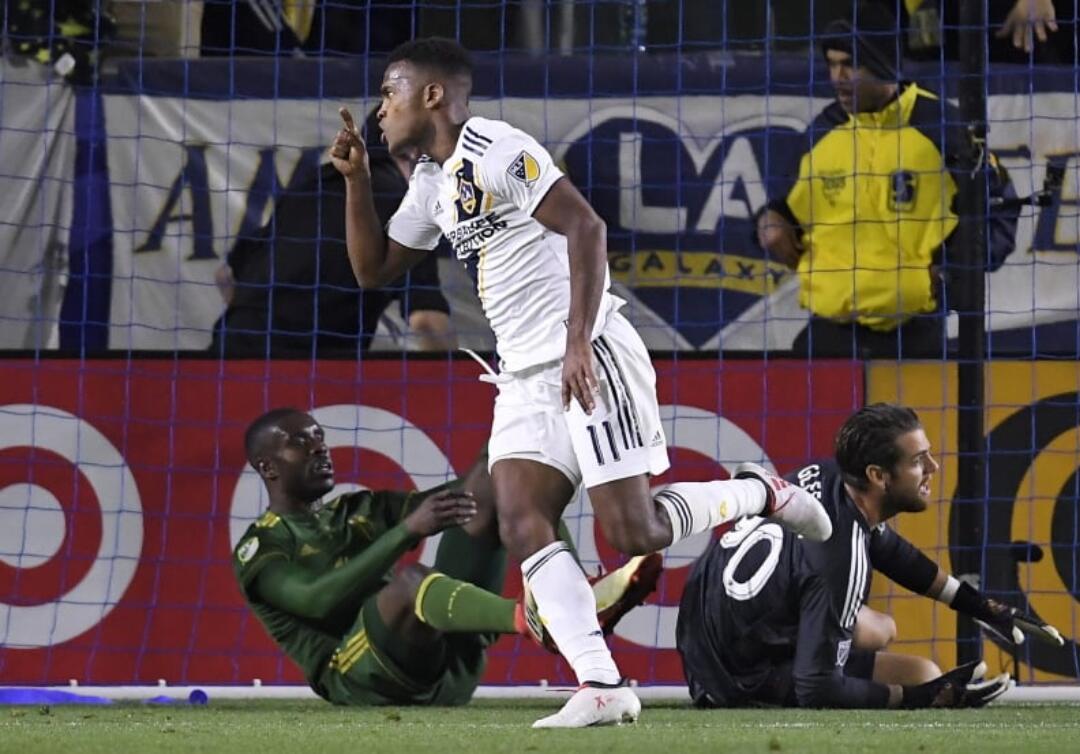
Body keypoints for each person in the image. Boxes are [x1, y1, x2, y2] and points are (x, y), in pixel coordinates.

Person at [330, 37, 833, 726]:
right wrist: (357, 180)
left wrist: (576, 344)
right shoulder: (433, 183)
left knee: (635, 532)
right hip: (523, 377)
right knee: (518, 519)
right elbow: (373, 269)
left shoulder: (496, 148)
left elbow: (586, 227)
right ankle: (601, 684)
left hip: (587, 351)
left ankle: (759, 491)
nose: (380, 108)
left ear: (433, 95)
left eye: (390, 90)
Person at [232, 408, 662, 706]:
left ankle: (566, 592)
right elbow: (316, 601)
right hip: (361, 679)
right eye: (299, 443)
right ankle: (539, 618)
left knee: (500, 470)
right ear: (269, 468)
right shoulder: (262, 547)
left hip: (446, 667)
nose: (319, 448)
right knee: (410, 582)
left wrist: (505, 465)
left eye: (320, 438)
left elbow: (469, 497)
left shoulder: (354, 510)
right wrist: (406, 531)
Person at [676, 403, 1064, 709]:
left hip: (705, 639)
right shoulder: (841, 562)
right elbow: (817, 687)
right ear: (878, 476)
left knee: (906, 653)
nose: (933, 468)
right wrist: (920, 700)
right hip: (733, 679)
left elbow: (889, 548)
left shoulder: (827, 475)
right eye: (918, 462)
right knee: (904, 666)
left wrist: (980, 606)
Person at [756, 1, 1020, 358]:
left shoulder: (942, 127)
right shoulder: (822, 131)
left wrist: (951, 274)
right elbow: (782, 209)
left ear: (881, 63)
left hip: (913, 336)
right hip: (829, 335)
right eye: (832, 64)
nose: (838, 78)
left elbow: (1000, 207)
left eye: (850, 64)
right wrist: (767, 222)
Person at [210, 107, 454, 357]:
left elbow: (225, 274)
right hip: (313, 370)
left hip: (229, 357)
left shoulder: (315, 183)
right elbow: (427, 323)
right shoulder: (408, 208)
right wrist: (456, 389)